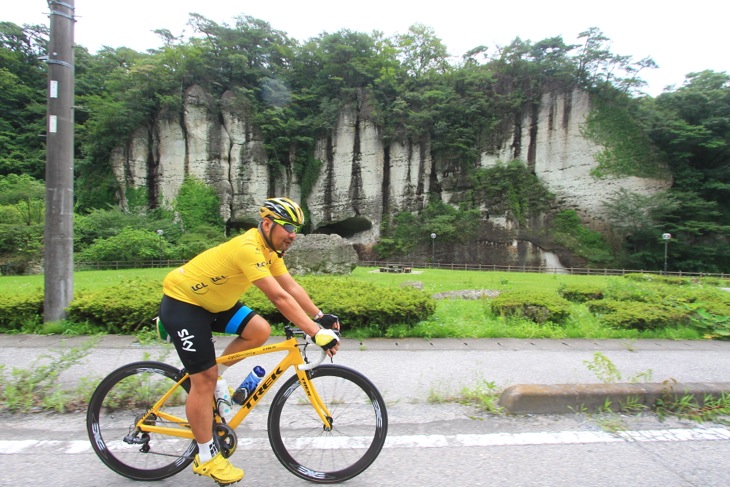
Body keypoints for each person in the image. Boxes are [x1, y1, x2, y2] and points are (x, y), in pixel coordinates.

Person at [158, 197, 340, 485]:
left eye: (297, 229)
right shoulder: (248, 247)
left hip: (214, 303)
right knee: (202, 380)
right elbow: (279, 297)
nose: (293, 235)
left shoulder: (271, 250)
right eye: (288, 227)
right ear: (267, 224)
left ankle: (216, 378)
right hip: (184, 303)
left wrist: (319, 317)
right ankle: (206, 457)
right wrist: (315, 333)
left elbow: (289, 286)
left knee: (259, 331)